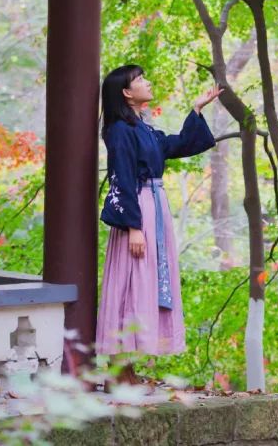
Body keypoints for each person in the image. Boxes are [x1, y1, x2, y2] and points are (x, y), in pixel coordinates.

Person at [95, 64, 221, 382]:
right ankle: (117, 368)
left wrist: (196, 109)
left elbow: (177, 145)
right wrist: (134, 227)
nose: (147, 82)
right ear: (126, 92)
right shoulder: (120, 130)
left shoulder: (144, 128)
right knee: (129, 282)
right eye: (140, 80)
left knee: (145, 282)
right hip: (138, 210)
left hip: (154, 207)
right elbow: (120, 177)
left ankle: (127, 366)